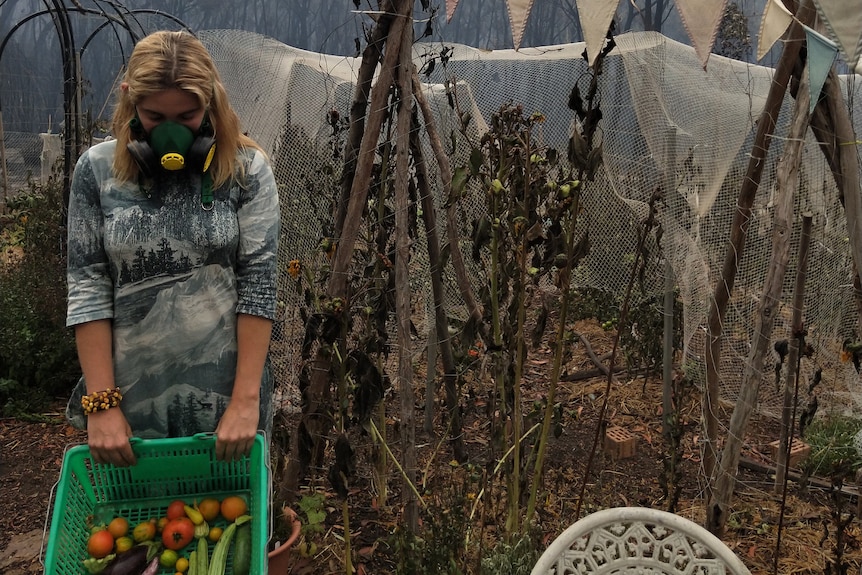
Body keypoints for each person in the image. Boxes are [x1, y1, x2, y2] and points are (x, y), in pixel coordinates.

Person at [65, 30, 280, 467]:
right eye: (153, 115)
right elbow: (87, 285)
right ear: (130, 100)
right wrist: (102, 406)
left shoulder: (246, 170)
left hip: (227, 408)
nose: (170, 132)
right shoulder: (97, 171)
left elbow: (259, 285)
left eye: (187, 115)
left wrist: (245, 401)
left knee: (231, 522)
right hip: (126, 408)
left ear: (212, 100)